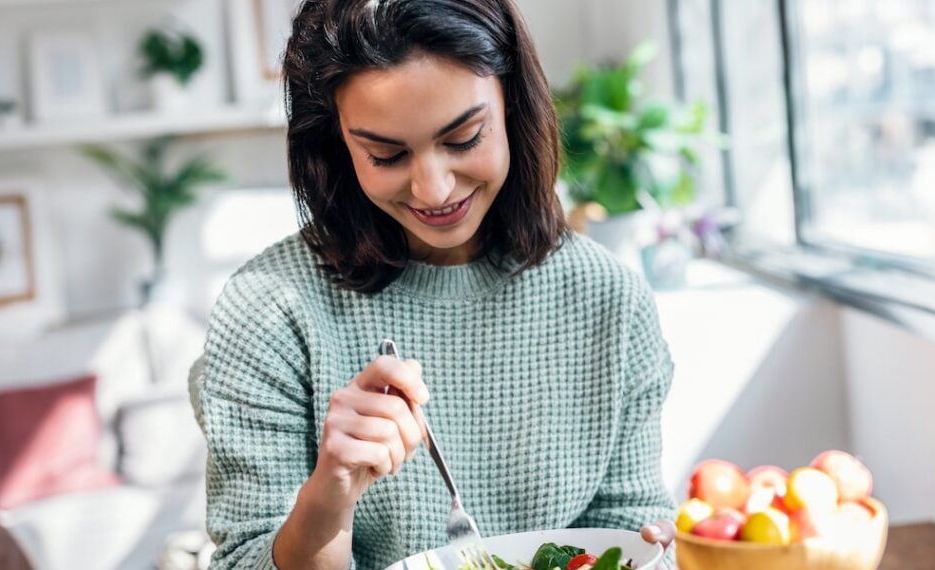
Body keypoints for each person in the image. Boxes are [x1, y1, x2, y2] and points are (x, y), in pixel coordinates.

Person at [190, 0, 678, 568]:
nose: (433, 190)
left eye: (464, 138)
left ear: (512, 104)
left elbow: (631, 530)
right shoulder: (267, 310)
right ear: (336, 143)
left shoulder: (608, 297)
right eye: (386, 154)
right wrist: (329, 497)